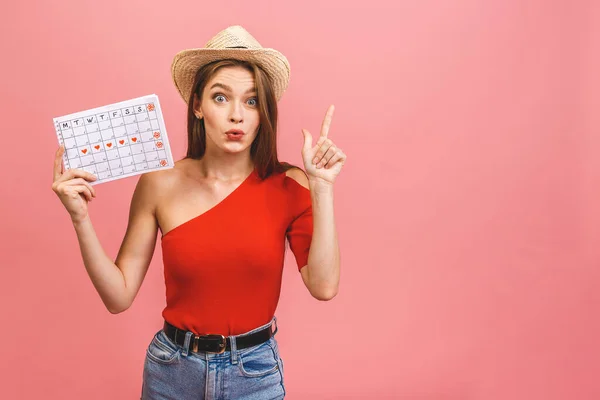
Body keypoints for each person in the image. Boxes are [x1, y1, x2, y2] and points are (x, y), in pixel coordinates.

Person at [51, 25, 346, 399]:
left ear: (264, 113)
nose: (237, 115)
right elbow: (118, 297)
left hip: (253, 372)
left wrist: (322, 187)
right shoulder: (159, 182)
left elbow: (324, 286)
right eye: (221, 98)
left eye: (252, 101)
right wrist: (80, 218)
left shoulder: (291, 184)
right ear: (197, 105)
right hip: (170, 371)